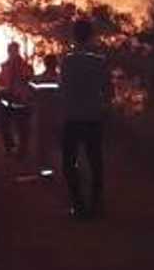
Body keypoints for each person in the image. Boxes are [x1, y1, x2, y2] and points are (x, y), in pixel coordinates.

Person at [60, 18, 112, 218]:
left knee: (69, 163)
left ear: (74, 36)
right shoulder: (100, 61)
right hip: (93, 119)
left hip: (72, 119)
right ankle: (96, 205)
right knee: (96, 163)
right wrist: (103, 111)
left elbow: (63, 91)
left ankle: (78, 205)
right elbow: (108, 92)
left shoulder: (68, 61)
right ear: (91, 36)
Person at [0, 41, 33, 158]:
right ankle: (10, 147)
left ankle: (22, 151)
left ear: (17, 51)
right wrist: (0, 94)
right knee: (3, 126)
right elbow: (1, 82)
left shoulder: (25, 66)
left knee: (22, 127)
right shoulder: (5, 66)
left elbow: (28, 81)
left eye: (14, 50)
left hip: (20, 100)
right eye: (11, 50)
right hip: (6, 99)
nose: (12, 53)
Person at [30, 53, 63, 179]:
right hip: (58, 115)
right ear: (55, 64)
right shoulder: (61, 80)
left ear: (45, 64)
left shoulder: (37, 80)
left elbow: (30, 96)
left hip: (41, 115)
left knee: (43, 143)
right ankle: (64, 167)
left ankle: (46, 169)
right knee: (59, 142)